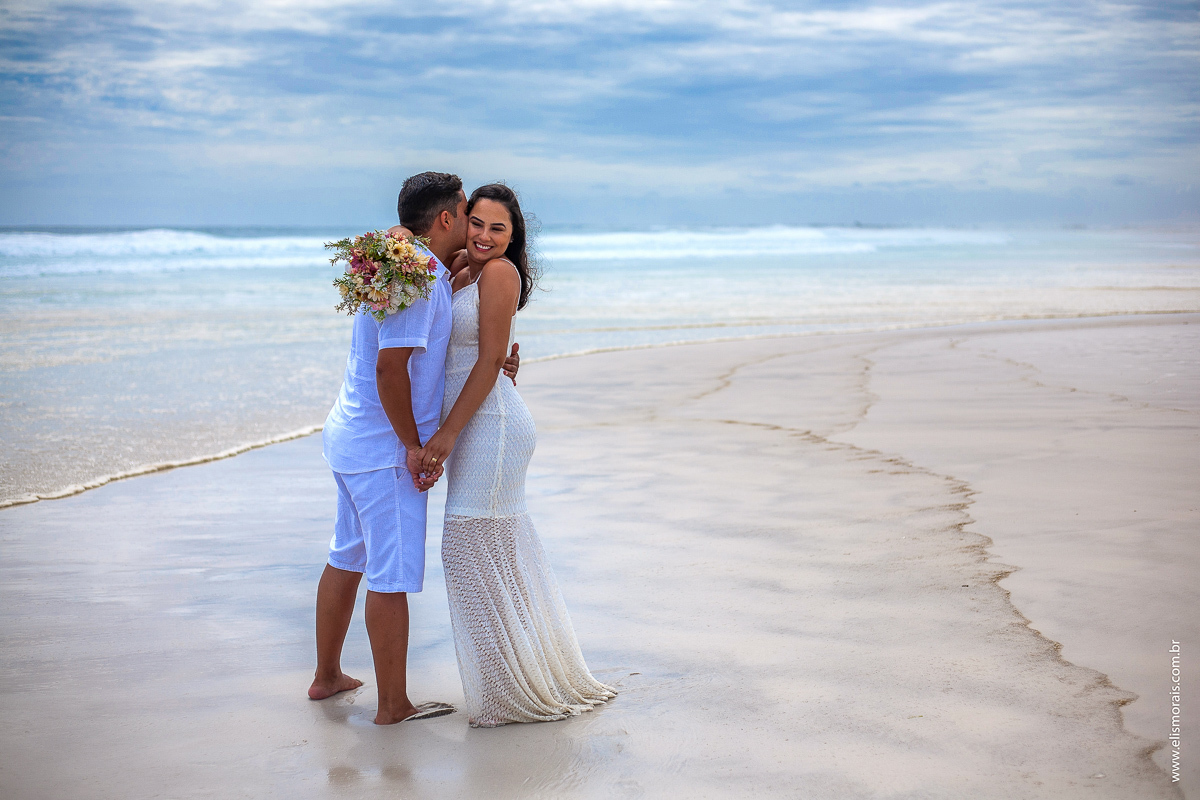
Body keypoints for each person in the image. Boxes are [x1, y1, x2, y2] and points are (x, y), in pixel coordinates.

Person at [308, 172, 519, 724]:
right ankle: (393, 705)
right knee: (390, 575)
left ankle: (327, 675)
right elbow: (390, 368)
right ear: (447, 219)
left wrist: (500, 362)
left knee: (346, 555)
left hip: (349, 434)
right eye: (466, 214)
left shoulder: (395, 261)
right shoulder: (418, 275)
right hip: (382, 449)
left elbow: (436, 351)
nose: (475, 226)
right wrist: (413, 445)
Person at [415, 184, 616, 727]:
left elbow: (487, 363)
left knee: (468, 547)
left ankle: (507, 689)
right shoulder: (463, 267)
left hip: (491, 426)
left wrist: (447, 434)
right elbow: (406, 244)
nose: (483, 235)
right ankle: (514, 677)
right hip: (477, 420)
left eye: (496, 228)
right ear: (460, 221)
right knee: (488, 551)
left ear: (512, 235)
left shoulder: (500, 272)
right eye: (475, 222)